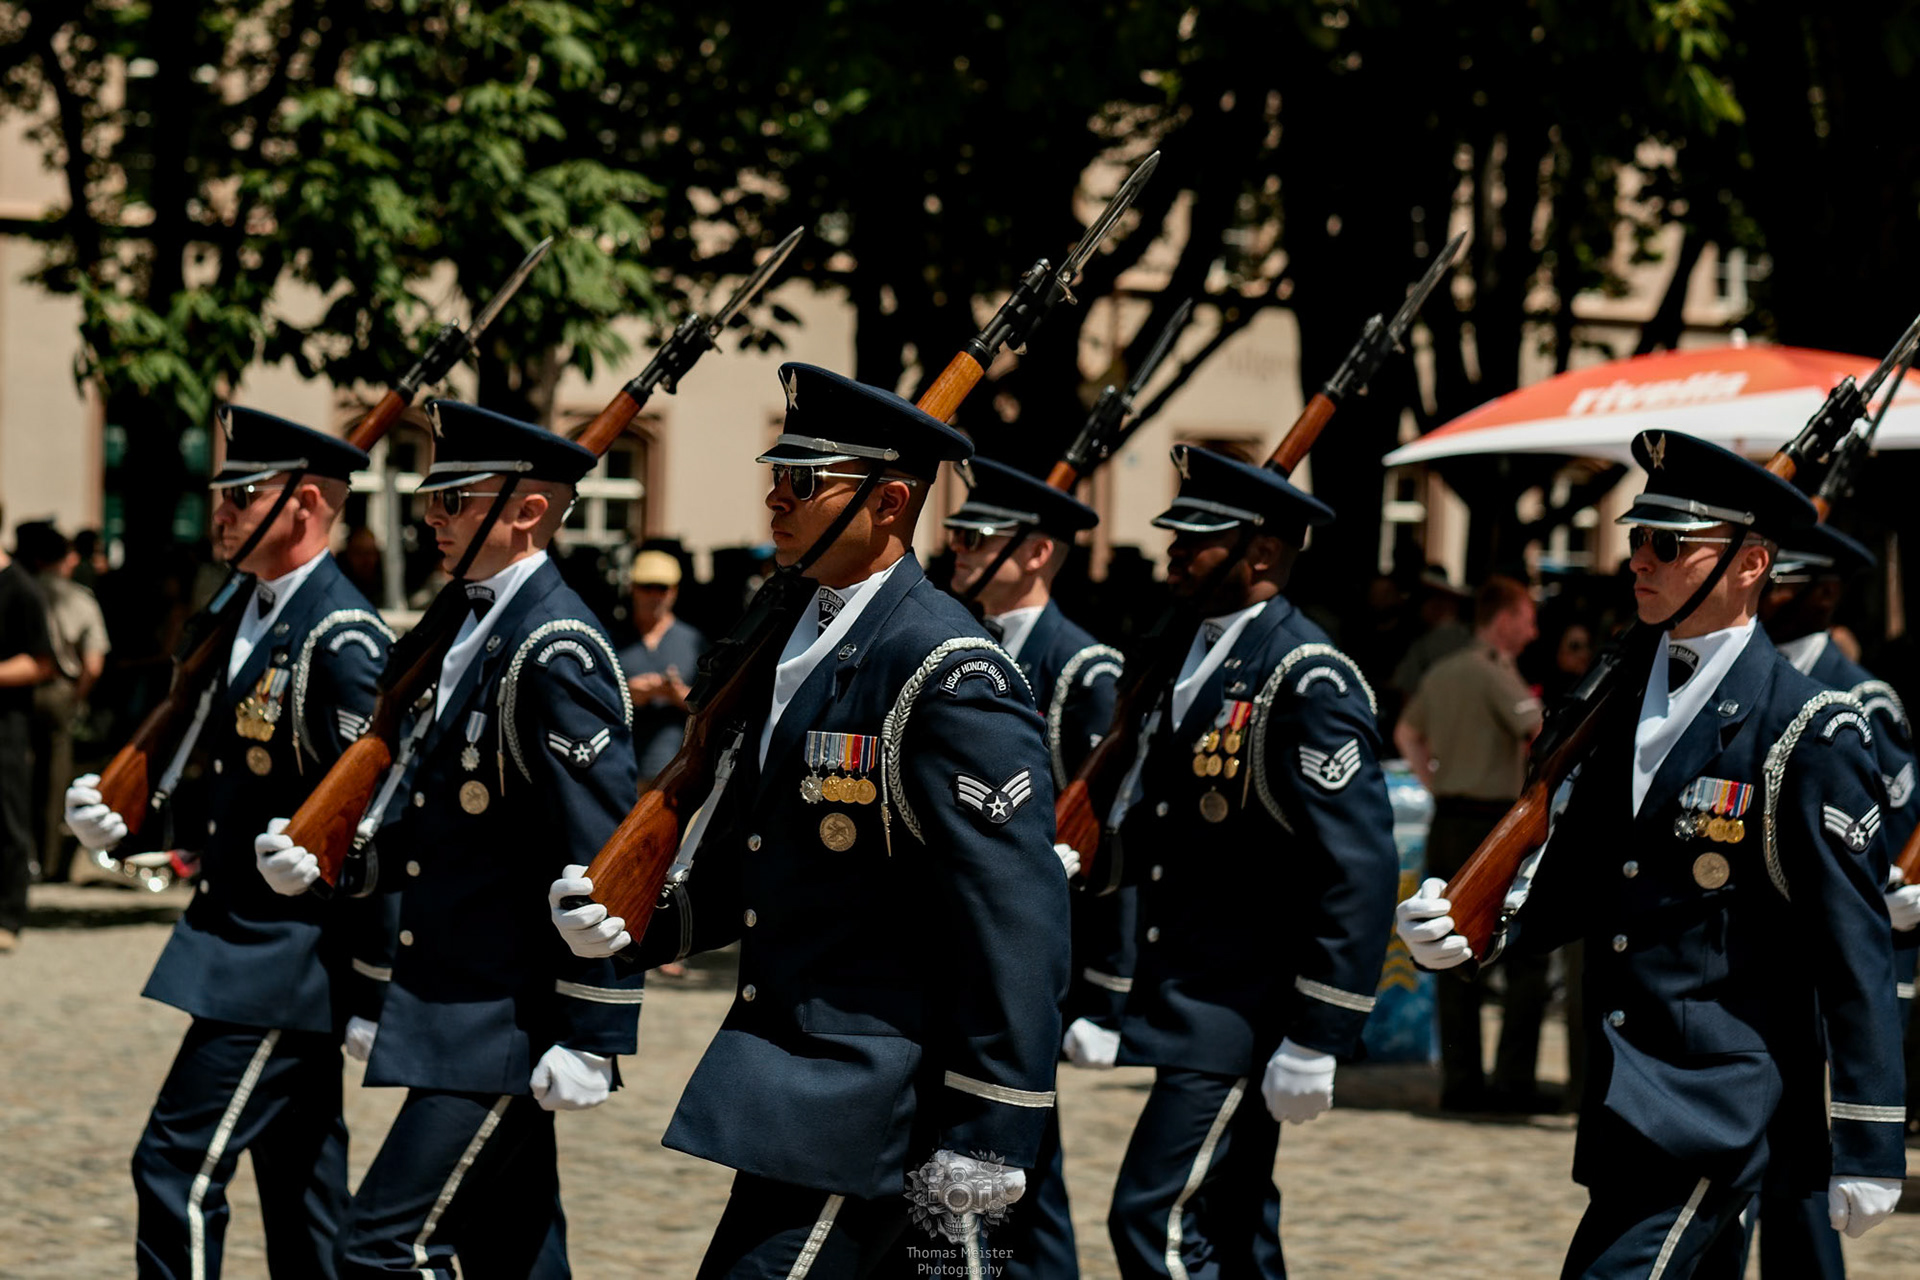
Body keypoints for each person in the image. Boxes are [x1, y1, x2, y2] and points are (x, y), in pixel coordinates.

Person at [551, 363, 1072, 1279]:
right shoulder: (793, 634)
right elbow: (764, 853)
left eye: (805, 479)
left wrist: (992, 1135)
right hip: (803, 1093)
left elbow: (1016, 920)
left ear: (891, 502)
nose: (776, 497)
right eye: (777, 473)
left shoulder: (946, 669)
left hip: (880, 1097)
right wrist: (639, 920)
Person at [1396, 430, 1908, 1278]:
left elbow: (1853, 947)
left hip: (1720, 1103)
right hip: (1625, 1094)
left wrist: (1870, 1134)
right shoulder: (1621, 703)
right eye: (1638, 536)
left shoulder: (1809, 728)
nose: (1639, 559)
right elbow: (1592, 875)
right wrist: (1476, 927)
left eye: (1669, 544)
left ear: (1750, 564)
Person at [251, 399, 645, 1278]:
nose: (431, 516)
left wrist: (596, 1028)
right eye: (432, 498)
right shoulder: (471, 624)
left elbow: (603, 852)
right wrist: (330, 857)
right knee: (516, 1252)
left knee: (383, 1250)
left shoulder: (555, 647)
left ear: (528, 511)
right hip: (455, 1005)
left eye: (454, 499)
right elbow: (441, 826)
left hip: (503, 1021)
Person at [60, 406, 397, 1278]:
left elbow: (374, 818)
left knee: (174, 1167)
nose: (221, 511)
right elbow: (230, 785)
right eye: (224, 493)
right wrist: (133, 818)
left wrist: (373, 980)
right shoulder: (246, 608)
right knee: (303, 1191)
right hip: (243, 944)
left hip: (285, 963)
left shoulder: (342, 636)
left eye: (243, 494)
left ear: (306, 505)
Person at [1073, 444, 1399, 1280]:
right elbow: (1169, 826)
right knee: (1237, 1223)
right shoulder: (1190, 651)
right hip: (1193, 989)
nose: (1174, 552)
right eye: (1177, 534)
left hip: (1245, 1007)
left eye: (1199, 540)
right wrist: (1080, 861)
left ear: (1261, 554)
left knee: (1153, 1216)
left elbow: (1357, 869)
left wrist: (1320, 1033)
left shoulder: (1306, 678)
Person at [943, 456, 1128, 1279]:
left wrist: (1106, 994)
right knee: (1012, 1172)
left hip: (1035, 966)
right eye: (957, 535)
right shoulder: (960, 646)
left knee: (1005, 1168)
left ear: (1037, 553)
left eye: (977, 538)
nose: (958, 550)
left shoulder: (1083, 670)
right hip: (968, 952)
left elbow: (1108, 836)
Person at [1740, 521, 1920, 1279]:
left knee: (1799, 1158)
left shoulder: (1860, 698)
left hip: (1842, 947)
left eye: (1782, 582)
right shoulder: (1756, 683)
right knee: (1772, 1155)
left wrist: (1899, 894)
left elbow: (1898, 828)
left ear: (1824, 595)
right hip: (1772, 953)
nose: (1765, 594)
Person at [1394, 574, 1551, 1113]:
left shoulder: (1442, 670)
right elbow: (1540, 735)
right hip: (1494, 826)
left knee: (1450, 949)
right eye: (1527, 619)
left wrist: (1434, 782)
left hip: (1449, 817)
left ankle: (1460, 1081)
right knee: (1526, 956)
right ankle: (1512, 1083)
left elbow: (1406, 733)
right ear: (1503, 619)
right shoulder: (1492, 671)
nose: (1533, 632)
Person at [15, 521, 111, 881]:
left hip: (17, 688)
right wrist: (77, 696)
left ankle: (19, 857)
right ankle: (49, 860)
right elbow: (94, 665)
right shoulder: (80, 599)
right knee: (55, 781)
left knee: (17, 774)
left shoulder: (19, 589)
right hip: (59, 690)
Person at [0, 506, 55, 952]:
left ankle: (7, 917)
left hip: (6, 725)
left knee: (8, 819)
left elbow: (41, 662)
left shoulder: (20, 588)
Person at [618, 547, 708, 784]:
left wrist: (679, 695)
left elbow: (712, 707)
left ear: (674, 591)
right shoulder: (613, 638)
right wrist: (628, 694)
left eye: (662, 588)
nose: (654, 596)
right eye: (647, 587)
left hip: (678, 771)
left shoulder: (694, 642)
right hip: (622, 767)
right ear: (632, 588)